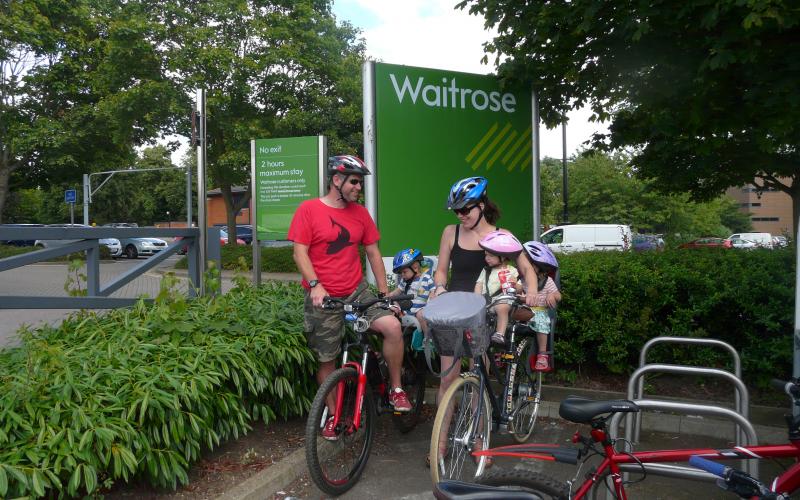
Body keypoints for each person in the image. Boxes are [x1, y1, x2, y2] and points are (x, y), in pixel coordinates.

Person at [288, 154, 413, 438]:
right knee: (327, 360)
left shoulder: (360, 213)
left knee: (392, 326)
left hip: (357, 291)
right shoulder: (308, 210)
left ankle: (396, 389)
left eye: (360, 182)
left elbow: (373, 252)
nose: (359, 187)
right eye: (354, 181)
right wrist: (316, 284)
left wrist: (383, 293)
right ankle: (333, 415)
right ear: (336, 180)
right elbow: (300, 252)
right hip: (324, 296)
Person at [427, 176, 540, 466]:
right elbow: (441, 270)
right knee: (447, 378)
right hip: (454, 309)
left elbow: (526, 268)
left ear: (482, 205)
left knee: (479, 375)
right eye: (457, 211)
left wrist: (532, 292)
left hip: (486, 312)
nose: (461, 215)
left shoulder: (501, 235)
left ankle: (480, 441)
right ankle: (439, 447)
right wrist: (439, 287)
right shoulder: (450, 232)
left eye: (466, 209)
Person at [474, 230, 524, 346]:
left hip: (504, 301)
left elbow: (520, 289)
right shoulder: (486, 270)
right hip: (488, 302)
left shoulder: (512, 270)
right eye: (486, 255)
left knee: (502, 307)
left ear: (502, 256)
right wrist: (476, 298)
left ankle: (500, 333)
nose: (487, 258)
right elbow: (479, 284)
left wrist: (514, 284)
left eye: (490, 255)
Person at [521, 241, 562, 371]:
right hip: (524, 311)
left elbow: (558, 296)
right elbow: (516, 289)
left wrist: (552, 296)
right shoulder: (522, 280)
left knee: (541, 322)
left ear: (538, 266)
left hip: (539, 311)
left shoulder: (547, 281)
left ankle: (542, 355)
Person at [388, 248, 435, 327]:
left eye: (404, 272)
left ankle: (427, 336)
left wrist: (432, 295)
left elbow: (433, 291)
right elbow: (398, 290)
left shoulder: (426, 278)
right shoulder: (405, 281)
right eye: (401, 273)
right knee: (392, 306)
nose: (402, 275)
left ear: (415, 268)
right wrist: (390, 295)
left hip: (421, 311)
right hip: (407, 311)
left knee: (421, 315)